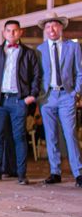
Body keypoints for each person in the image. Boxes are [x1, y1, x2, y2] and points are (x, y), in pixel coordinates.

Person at [0, 20, 40, 185]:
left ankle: (22, 174)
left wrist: (32, 96)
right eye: (9, 30)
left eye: (15, 31)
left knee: (19, 137)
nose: (12, 33)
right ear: (4, 33)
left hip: (18, 101)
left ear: (20, 32)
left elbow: (36, 76)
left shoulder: (28, 53)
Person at [36, 12, 82, 187]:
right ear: (45, 30)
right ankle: (55, 172)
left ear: (61, 27)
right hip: (47, 98)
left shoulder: (73, 47)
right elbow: (38, 75)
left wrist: (76, 93)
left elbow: (80, 72)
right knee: (51, 135)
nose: (51, 29)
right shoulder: (39, 50)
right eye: (48, 26)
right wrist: (40, 96)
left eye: (54, 25)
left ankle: (78, 172)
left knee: (70, 134)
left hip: (66, 96)